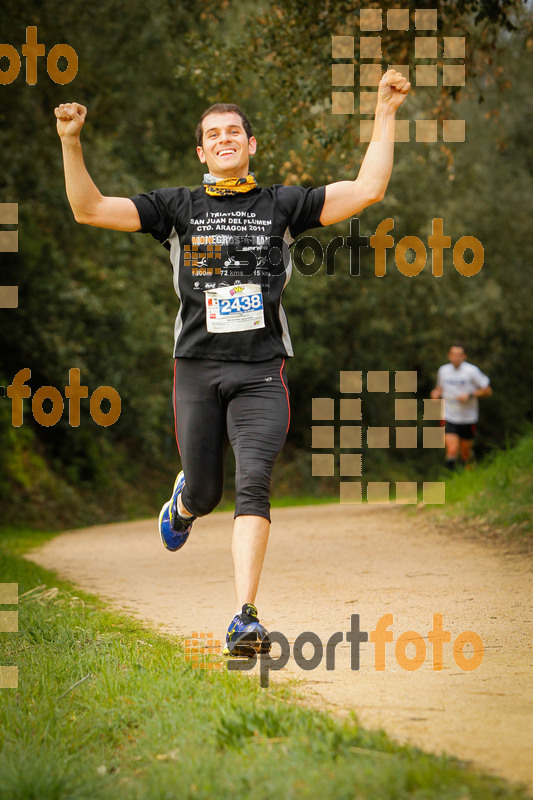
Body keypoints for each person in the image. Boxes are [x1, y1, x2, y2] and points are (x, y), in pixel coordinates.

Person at [55, 68, 410, 656]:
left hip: (262, 370)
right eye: (212, 133)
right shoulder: (176, 207)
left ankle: (244, 616)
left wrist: (385, 111)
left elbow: (368, 188)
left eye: (234, 132)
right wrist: (71, 142)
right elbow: (89, 209)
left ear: (250, 146)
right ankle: (185, 502)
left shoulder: (284, 205)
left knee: (255, 485)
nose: (224, 139)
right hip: (196, 367)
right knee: (207, 491)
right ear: (201, 150)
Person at [431, 343, 492, 470]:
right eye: (453, 354)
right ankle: (449, 479)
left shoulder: (472, 371)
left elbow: (488, 391)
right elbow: (440, 388)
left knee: (465, 454)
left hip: (468, 417)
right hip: (449, 415)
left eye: (459, 355)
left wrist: (470, 395)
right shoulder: (443, 370)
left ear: (464, 356)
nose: (456, 357)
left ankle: (470, 472)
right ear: (449, 356)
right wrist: (436, 393)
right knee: (452, 450)